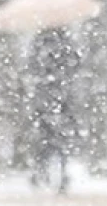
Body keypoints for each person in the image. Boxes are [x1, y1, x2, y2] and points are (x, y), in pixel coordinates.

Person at [25, 27, 81, 192]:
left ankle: (41, 173)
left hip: (46, 98)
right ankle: (60, 175)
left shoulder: (40, 41)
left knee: (45, 140)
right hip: (61, 98)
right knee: (60, 140)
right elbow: (75, 64)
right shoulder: (65, 41)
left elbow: (32, 66)